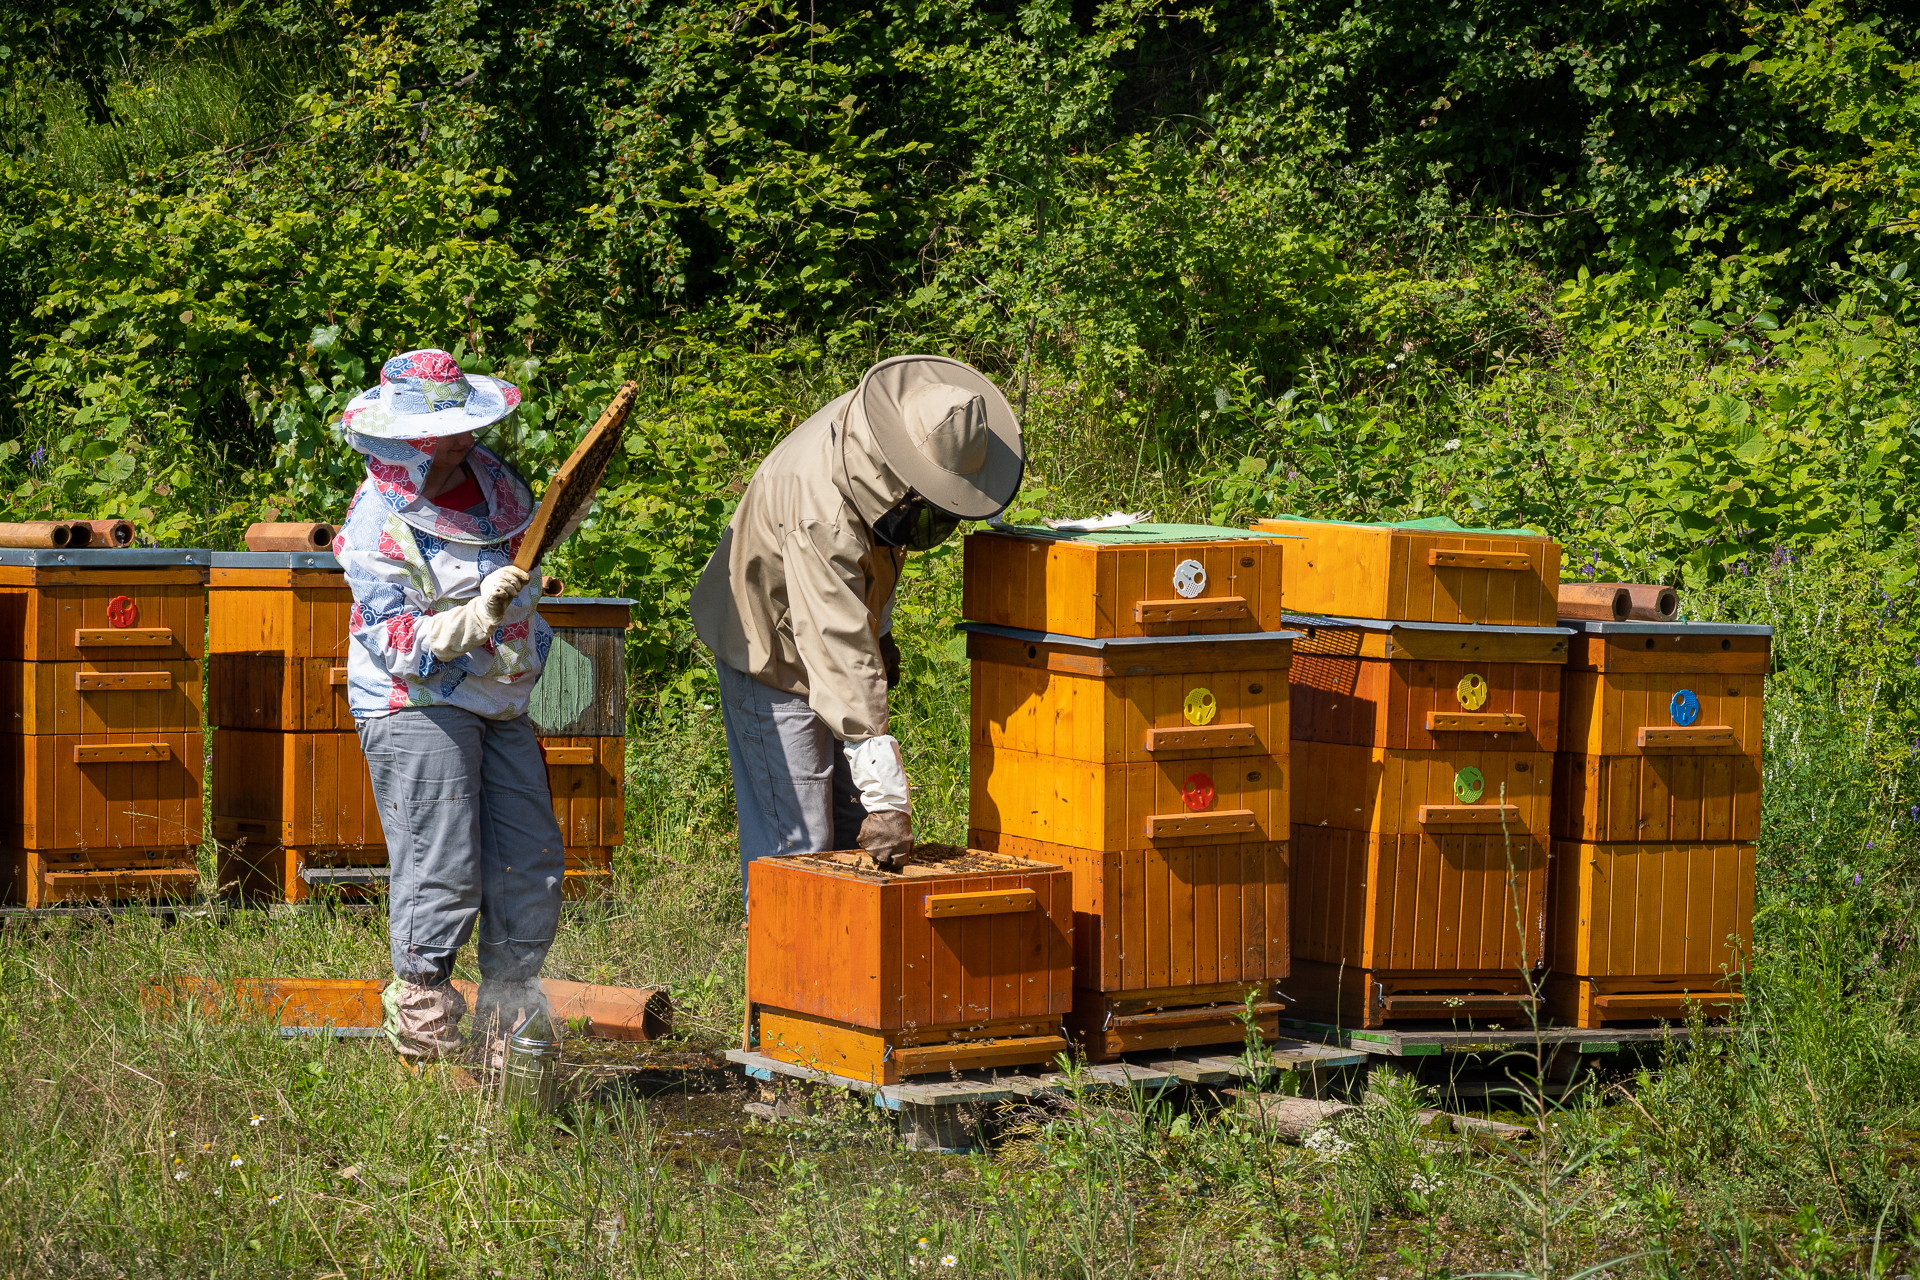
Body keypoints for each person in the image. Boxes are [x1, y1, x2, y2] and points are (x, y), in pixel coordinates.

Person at [691, 354, 1024, 897]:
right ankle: (782, 979)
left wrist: (883, 629)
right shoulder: (820, 509)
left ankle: (846, 977)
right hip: (767, 645)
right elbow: (836, 641)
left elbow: (874, 554)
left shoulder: (897, 436)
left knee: (849, 834)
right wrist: (888, 796)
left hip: (825, 624)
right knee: (801, 843)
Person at [331, 348, 569, 1061]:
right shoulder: (377, 519)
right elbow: (396, 640)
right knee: (442, 864)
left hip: (500, 694)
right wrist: (473, 617)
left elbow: (530, 537)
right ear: (402, 437)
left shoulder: (493, 482)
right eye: (444, 431)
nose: (462, 440)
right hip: (415, 698)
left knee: (531, 858)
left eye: (466, 425)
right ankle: (425, 1033)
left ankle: (511, 1020)